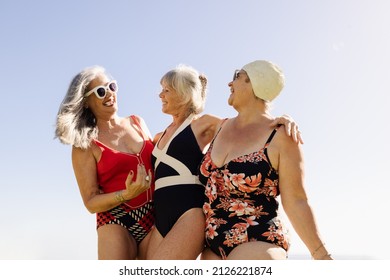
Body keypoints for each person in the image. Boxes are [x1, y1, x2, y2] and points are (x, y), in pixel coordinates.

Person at [146, 64, 303, 260]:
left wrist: (283, 119)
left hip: (189, 212)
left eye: (166, 90)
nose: (160, 95)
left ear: (183, 93)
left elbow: (245, 124)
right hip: (161, 215)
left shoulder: (204, 123)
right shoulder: (157, 137)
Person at [198, 60, 332, 260]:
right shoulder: (216, 127)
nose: (229, 83)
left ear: (254, 83)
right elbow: (167, 139)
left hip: (258, 241)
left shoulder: (281, 136)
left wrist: (322, 256)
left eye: (237, 76)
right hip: (211, 245)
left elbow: (296, 200)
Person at [55, 65, 154, 260]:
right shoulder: (84, 143)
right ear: (85, 102)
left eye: (112, 86)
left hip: (155, 215)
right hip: (116, 219)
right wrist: (126, 194)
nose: (109, 94)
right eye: (100, 91)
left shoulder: (137, 122)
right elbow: (91, 202)